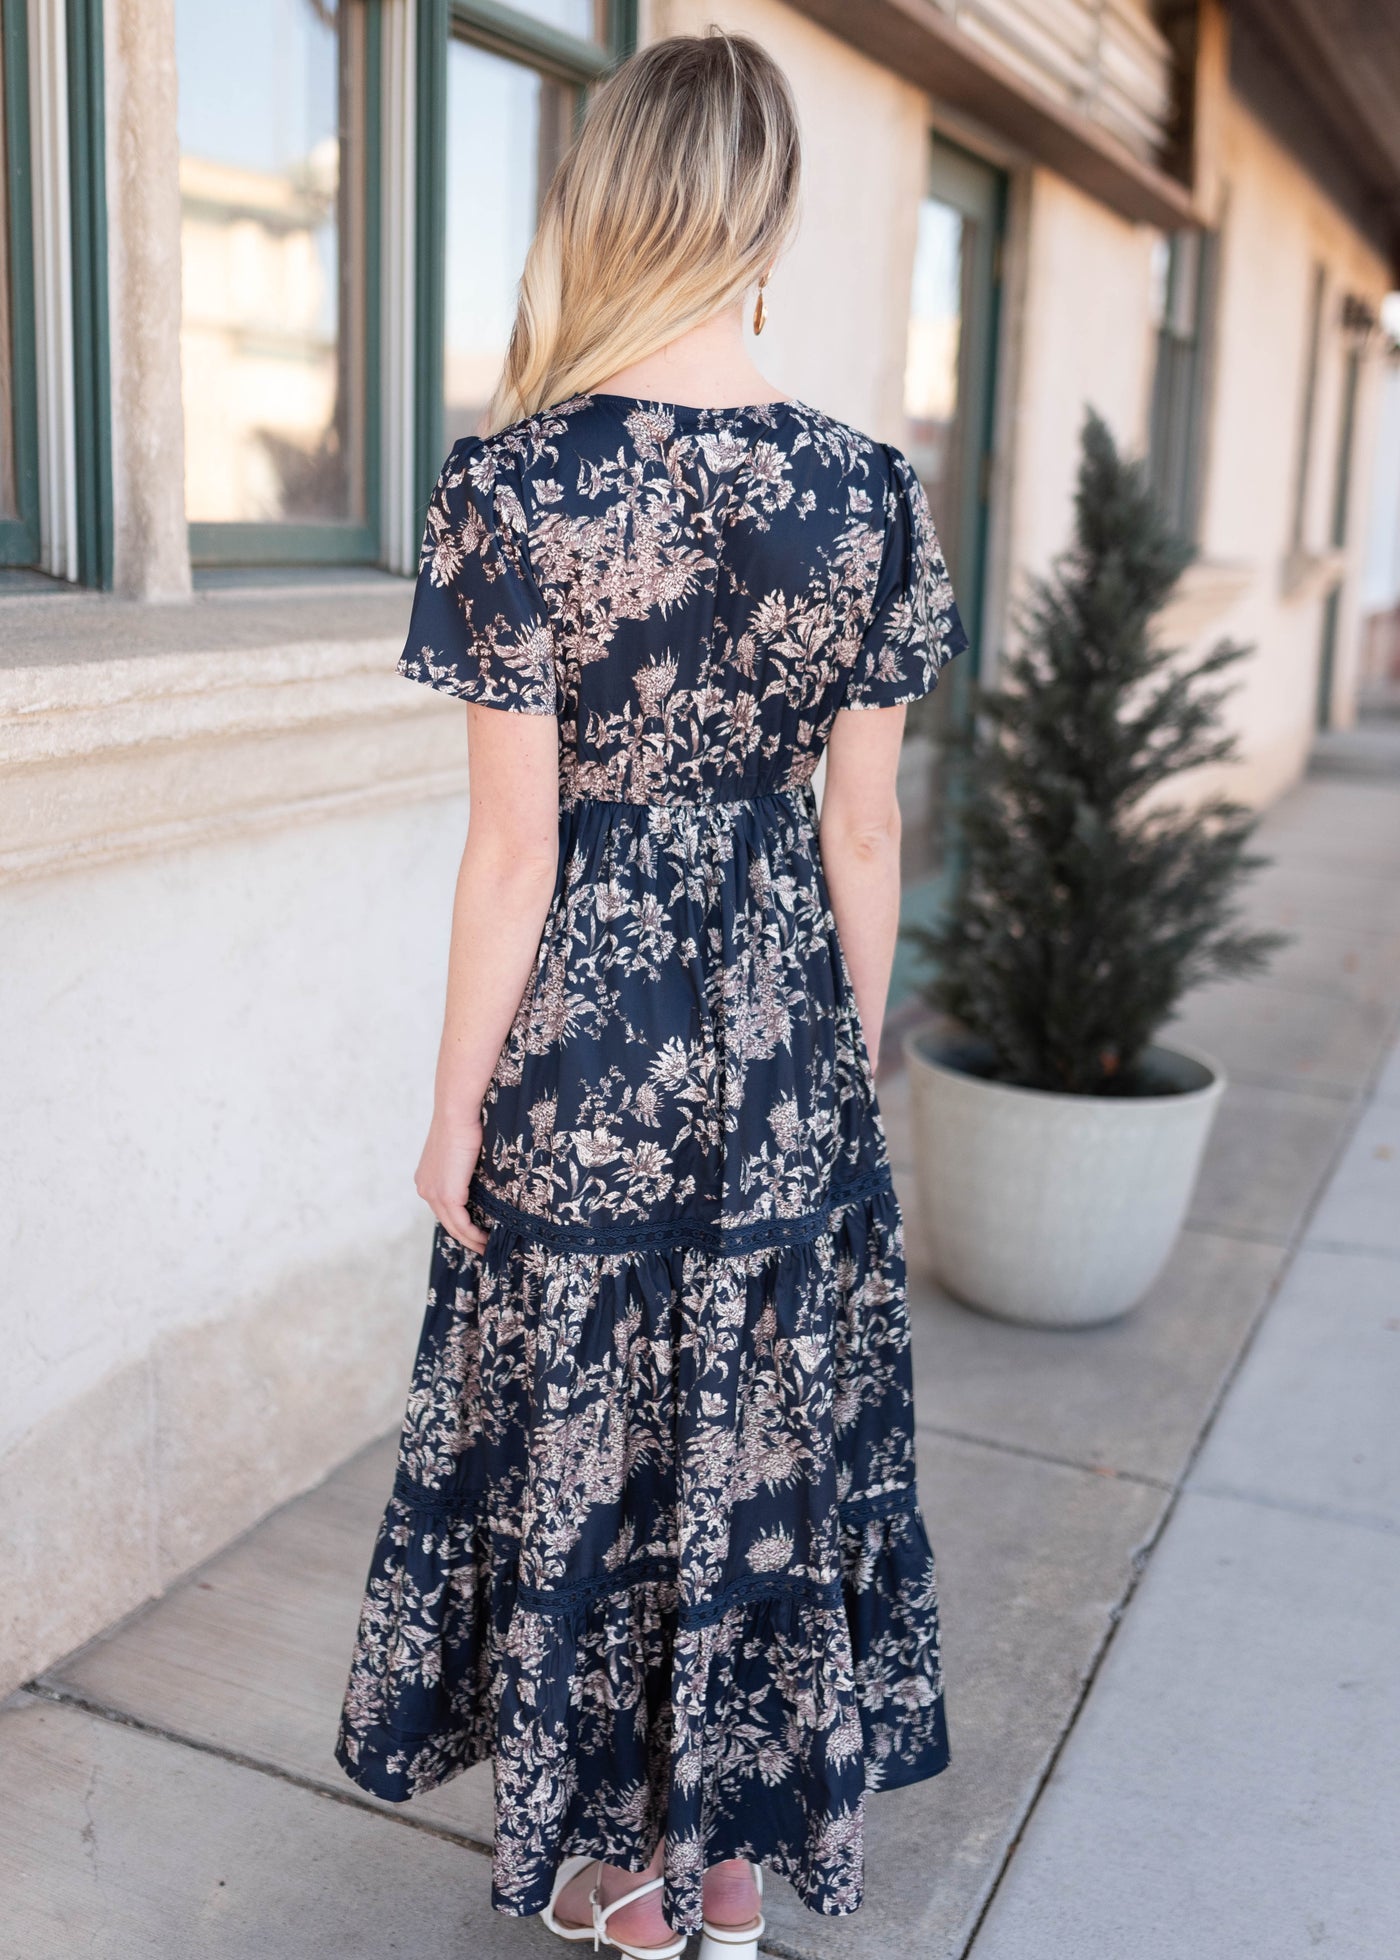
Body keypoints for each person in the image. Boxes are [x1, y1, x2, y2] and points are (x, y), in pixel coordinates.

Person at [335, 29, 967, 1960]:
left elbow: (514, 855)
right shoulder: (868, 495)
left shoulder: (514, 485)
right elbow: (869, 837)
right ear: (764, 214)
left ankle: (618, 1887)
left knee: (593, 1440)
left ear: (612, 199)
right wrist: (838, 1069)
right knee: (762, 1434)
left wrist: (451, 1108)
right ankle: (734, 1889)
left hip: (585, 1055)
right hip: (782, 1034)